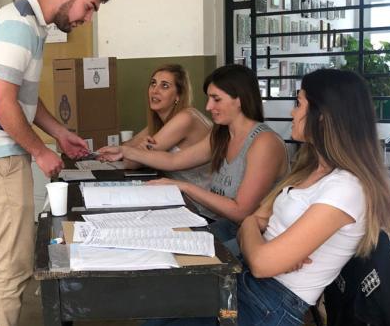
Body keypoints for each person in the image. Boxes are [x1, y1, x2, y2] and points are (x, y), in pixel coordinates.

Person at [147, 68, 390, 326]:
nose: (293, 112)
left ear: (322, 117)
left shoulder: (346, 188)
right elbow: (253, 223)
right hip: (246, 282)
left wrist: (260, 239)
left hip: (269, 305)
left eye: (299, 104)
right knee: (157, 312)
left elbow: (261, 259)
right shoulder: (311, 169)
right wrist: (262, 239)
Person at [0, 0, 112, 326]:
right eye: (89, 7)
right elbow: (1, 102)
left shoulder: (29, 24)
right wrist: (39, 151)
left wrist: (58, 133)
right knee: (14, 263)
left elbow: (22, 96)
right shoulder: (18, 27)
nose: (87, 18)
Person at [98, 65, 288, 249]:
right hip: (226, 225)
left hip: (257, 237)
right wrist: (125, 151)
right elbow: (174, 161)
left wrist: (185, 186)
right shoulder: (221, 133)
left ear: (239, 100)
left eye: (216, 99)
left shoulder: (264, 143)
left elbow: (241, 212)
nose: (208, 106)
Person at [97, 64, 212, 189]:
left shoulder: (186, 118)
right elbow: (127, 147)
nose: (155, 90)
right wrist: (136, 149)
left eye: (165, 86)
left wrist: (136, 151)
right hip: (177, 193)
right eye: (153, 83)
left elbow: (132, 162)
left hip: (199, 201)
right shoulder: (161, 122)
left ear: (178, 95)